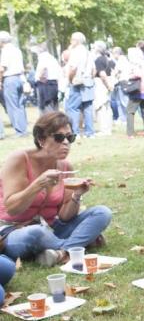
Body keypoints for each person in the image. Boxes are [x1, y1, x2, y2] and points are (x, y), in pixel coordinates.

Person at [0, 111, 112, 266]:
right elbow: (12, 209)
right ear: (41, 139)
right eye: (59, 137)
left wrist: (77, 196)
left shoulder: (65, 166)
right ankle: (78, 244)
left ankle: (61, 253)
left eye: (70, 137)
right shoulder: (19, 159)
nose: (66, 142)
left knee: (102, 212)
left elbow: (65, 217)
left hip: (51, 227)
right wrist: (38, 184)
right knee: (36, 233)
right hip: (15, 230)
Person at [65, 32, 96, 138]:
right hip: (88, 82)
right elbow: (93, 70)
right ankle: (90, 133)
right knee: (88, 108)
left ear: (76, 41)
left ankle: (75, 132)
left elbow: (73, 68)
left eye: (72, 39)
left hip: (77, 82)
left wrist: (70, 79)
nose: (70, 41)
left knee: (73, 108)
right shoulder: (88, 52)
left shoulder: (75, 52)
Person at [0, 31, 28, 137]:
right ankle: (23, 129)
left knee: (12, 106)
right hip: (19, 78)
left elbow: (2, 68)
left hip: (10, 78)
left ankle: (19, 131)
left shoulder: (5, 51)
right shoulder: (17, 50)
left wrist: (0, 80)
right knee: (20, 106)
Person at [125, 47, 144, 138]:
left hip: (138, 88)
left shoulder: (136, 62)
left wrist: (129, 76)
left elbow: (138, 74)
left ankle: (130, 133)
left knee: (130, 111)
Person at [92, 41, 113, 136]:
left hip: (101, 84)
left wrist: (107, 85)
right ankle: (107, 128)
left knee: (101, 107)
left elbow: (102, 74)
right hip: (106, 84)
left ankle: (104, 130)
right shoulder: (106, 59)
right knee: (107, 107)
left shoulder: (99, 60)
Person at [33, 42, 61, 115]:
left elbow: (43, 69)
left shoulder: (43, 57)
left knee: (46, 107)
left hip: (45, 84)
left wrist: (40, 78)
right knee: (53, 106)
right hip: (53, 83)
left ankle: (49, 123)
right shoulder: (52, 58)